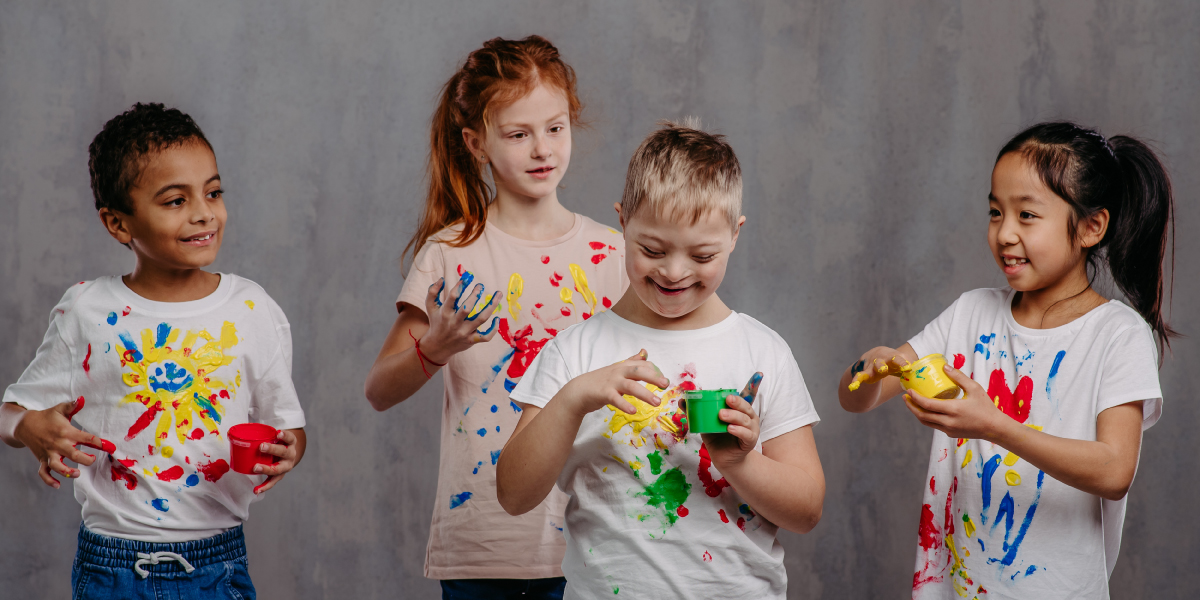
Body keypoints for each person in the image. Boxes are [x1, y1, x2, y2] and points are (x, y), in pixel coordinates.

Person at [839, 122, 1174, 599]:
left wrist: (993, 426)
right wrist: (869, 369)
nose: (1004, 233)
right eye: (995, 212)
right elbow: (857, 401)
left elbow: (1114, 471)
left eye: (1027, 215)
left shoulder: (1117, 335)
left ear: (1090, 227)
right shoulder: (970, 313)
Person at [497, 119, 825, 599]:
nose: (674, 272)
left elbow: (807, 509)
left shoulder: (762, 352)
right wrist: (572, 400)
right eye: (652, 249)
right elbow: (513, 494)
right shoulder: (574, 352)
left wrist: (740, 463)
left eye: (702, 255)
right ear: (622, 222)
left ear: (734, 235)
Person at [0, 103, 307, 599]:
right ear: (119, 224)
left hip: (218, 564)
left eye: (213, 192)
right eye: (174, 201)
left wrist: (289, 449)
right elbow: (9, 413)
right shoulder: (87, 310)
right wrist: (29, 426)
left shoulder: (252, 308)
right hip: (112, 567)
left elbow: (287, 427)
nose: (204, 212)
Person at [363, 35, 626, 599]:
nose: (542, 150)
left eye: (556, 128)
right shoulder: (450, 254)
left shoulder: (618, 254)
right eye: (518, 134)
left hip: (601, 538)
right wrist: (434, 347)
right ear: (476, 143)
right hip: (483, 545)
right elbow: (379, 390)